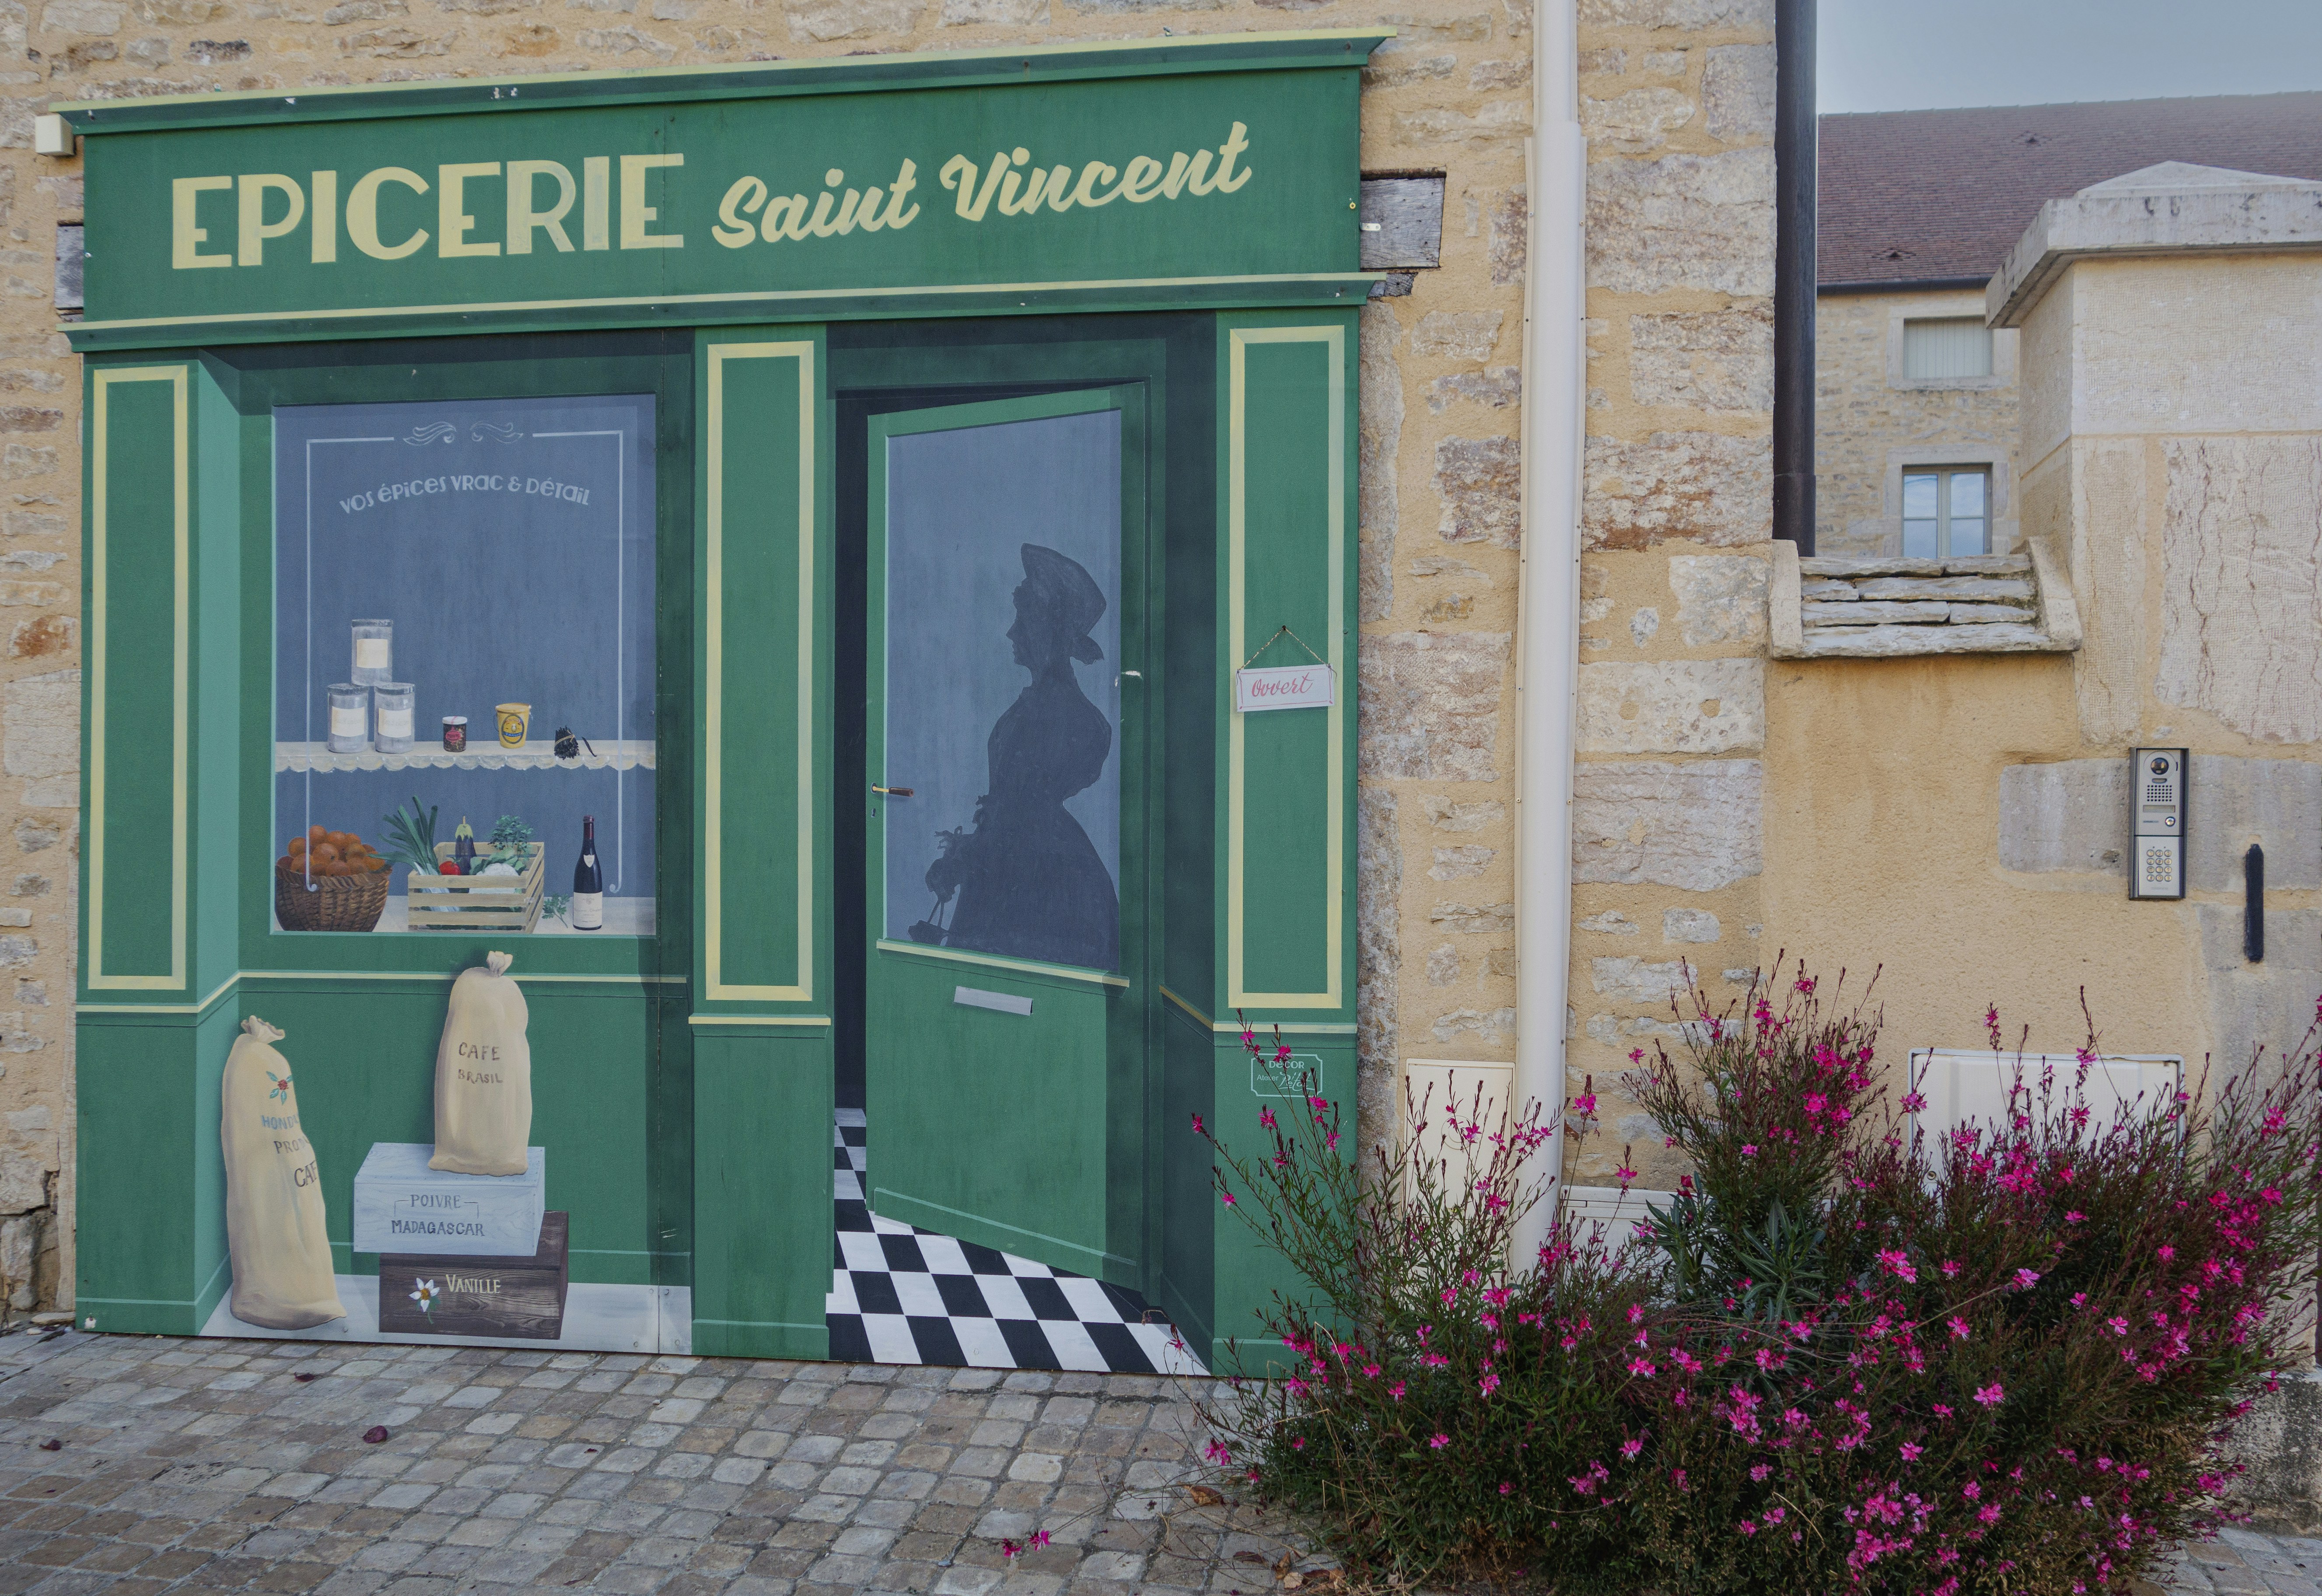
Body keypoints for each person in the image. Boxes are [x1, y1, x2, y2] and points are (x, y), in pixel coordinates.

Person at [922, 543, 1120, 970]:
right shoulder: (1033, 708)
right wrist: (958, 861)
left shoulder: (1073, 717)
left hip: (1046, 888)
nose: (1012, 634)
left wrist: (967, 857)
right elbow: (1010, 810)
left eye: (1022, 621)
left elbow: (1020, 810)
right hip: (1013, 871)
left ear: (1049, 630)